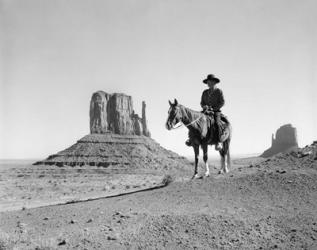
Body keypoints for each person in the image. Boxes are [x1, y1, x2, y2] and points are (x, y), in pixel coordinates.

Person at [186, 74, 225, 151]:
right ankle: (191, 139)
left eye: (210, 82)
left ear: (214, 82)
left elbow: (222, 102)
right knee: (194, 121)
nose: (209, 83)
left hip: (215, 111)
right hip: (205, 111)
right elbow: (202, 102)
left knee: (217, 123)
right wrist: (204, 106)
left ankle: (218, 141)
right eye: (208, 82)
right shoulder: (205, 92)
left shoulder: (219, 91)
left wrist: (213, 108)